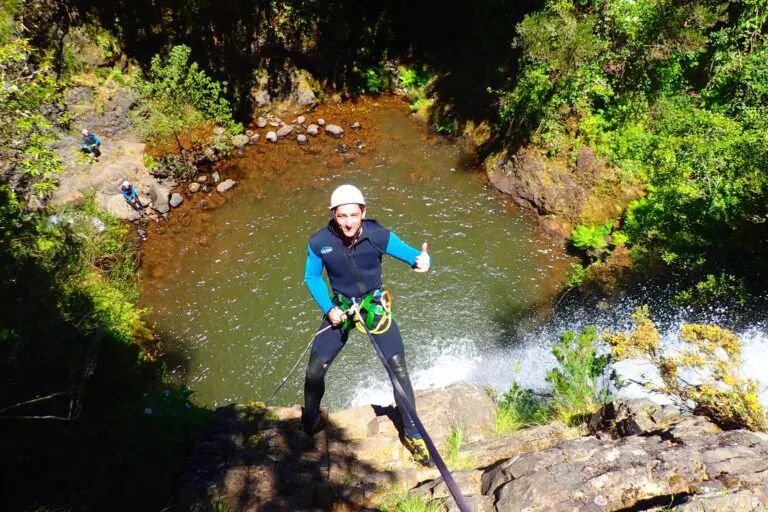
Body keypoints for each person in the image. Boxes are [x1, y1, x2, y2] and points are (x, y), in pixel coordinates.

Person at [303, 184, 433, 466]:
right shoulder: (319, 243)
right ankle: (310, 417)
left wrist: (423, 262)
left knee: (397, 367)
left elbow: (413, 257)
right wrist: (329, 309)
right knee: (315, 368)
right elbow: (312, 278)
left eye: (354, 214)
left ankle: (412, 434)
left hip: (373, 305)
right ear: (333, 216)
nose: (349, 222)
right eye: (341, 216)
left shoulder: (378, 236)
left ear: (364, 212)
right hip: (340, 307)